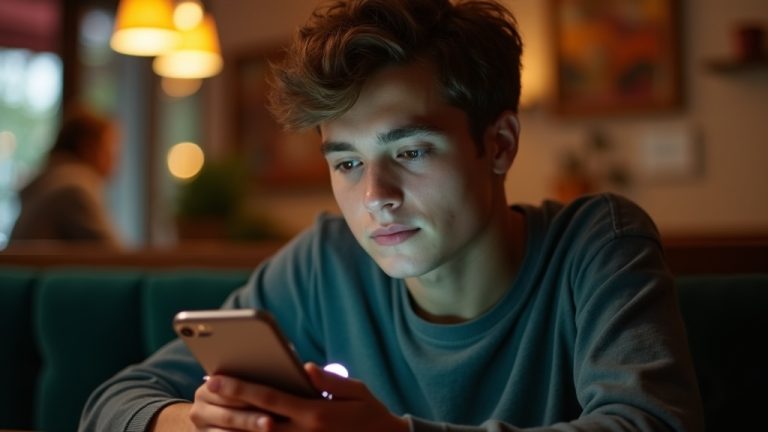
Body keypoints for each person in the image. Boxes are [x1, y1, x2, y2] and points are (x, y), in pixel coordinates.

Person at [80, 0, 704, 430]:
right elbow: (111, 404)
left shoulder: (597, 244)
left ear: (499, 144)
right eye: (347, 163)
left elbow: (650, 424)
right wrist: (205, 420)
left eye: (409, 151)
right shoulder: (327, 262)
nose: (376, 195)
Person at [8, 106, 122, 248]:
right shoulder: (74, 189)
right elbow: (116, 256)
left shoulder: (52, 181)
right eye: (110, 150)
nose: (115, 160)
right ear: (88, 148)